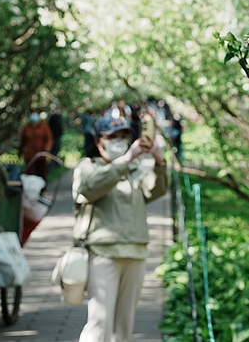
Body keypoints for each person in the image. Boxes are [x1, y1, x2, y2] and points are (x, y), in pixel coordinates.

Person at [73, 116, 167, 342]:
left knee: (124, 326)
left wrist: (159, 161)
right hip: (103, 252)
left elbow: (156, 190)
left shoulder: (132, 169)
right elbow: (89, 189)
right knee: (100, 323)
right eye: (111, 137)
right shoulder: (88, 167)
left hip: (135, 251)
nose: (118, 142)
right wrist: (126, 159)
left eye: (123, 137)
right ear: (98, 141)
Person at [20, 111, 53, 180]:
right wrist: (20, 152)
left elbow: (49, 139)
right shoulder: (26, 128)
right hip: (30, 155)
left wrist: (47, 149)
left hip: (41, 155)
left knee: (41, 173)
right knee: (29, 174)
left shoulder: (44, 127)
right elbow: (22, 141)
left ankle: (43, 189)